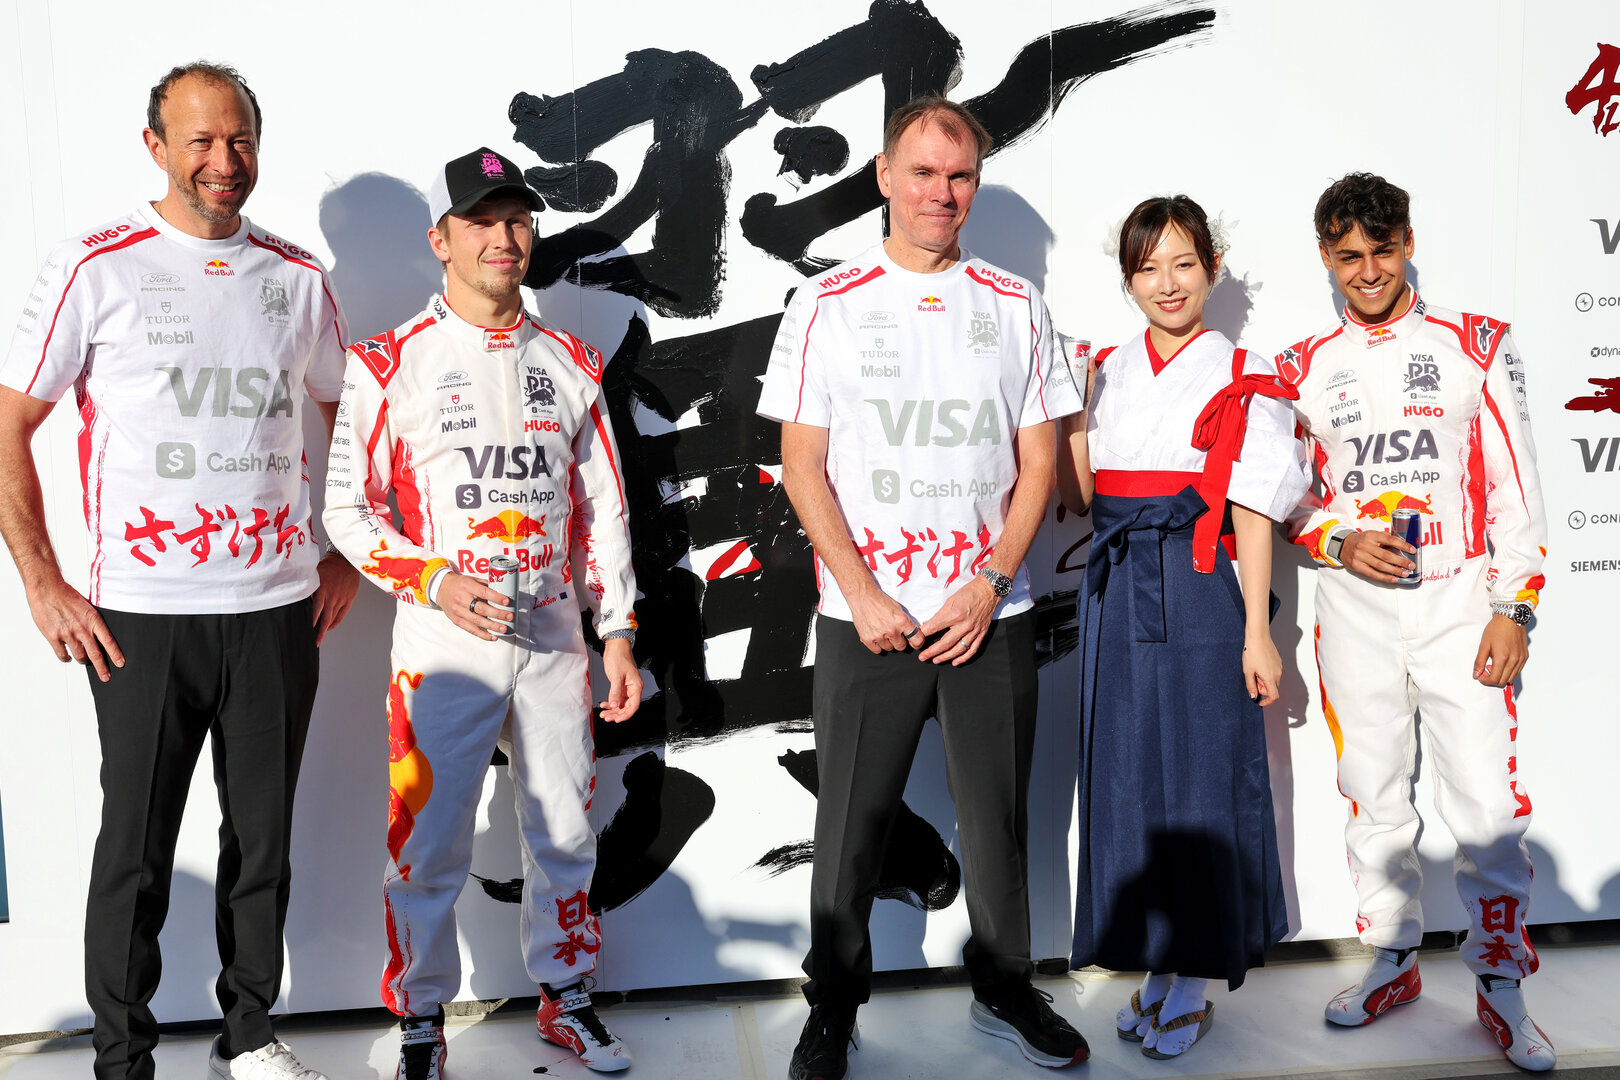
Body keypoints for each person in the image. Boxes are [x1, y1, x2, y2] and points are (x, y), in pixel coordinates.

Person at [0, 63, 357, 1080]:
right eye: (199, 140)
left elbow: (350, 412)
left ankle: (249, 1035)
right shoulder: (96, 266)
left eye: (238, 138)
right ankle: (124, 1058)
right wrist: (42, 581)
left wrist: (344, 553)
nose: (222, 160)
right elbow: (9, 421)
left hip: (276, 610)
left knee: (264, 844)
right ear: (154, 146)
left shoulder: (296, 276)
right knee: (136, 849)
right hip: (142, 617)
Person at [757, 96, 1088, 1080]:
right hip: (872, 617)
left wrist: (988, 584)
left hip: (991, 613)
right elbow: (802, 464)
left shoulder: (1017, 303)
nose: (944, 193)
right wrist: (863, 595)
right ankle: (834, 1007)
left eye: (961, 176)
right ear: (884, 177)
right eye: (925, 173)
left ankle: (1005, 982)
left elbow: (1039, 467)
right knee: (851, 826)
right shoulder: (826, 303)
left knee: (997, 821)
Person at [322, 146, 641, 1079]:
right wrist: (430, 581)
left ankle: (566, 998)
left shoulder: (573, 360)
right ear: (441, 240)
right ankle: (422, 1017)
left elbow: (602, 509)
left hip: (552, 634)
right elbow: (346, 509)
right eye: (482, 222)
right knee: (425, 834)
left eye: (517, 219)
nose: (505, 238)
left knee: (568, 831)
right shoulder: (389, 362)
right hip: (443, 642)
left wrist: (616, 630)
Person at [1277, 173, 1553, 1072]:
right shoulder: (1299, 365)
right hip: (1353, 614)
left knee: (1486, 806)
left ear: (1408, 244)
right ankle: (1392, 960)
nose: (1367, 271)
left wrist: (1514, 607)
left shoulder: (1477, 343)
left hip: (1460, 605)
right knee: (1373, 796)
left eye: (1382, 251)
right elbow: (1287, 502)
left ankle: (1503, 985)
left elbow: (1518, 492)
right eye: (1348, 256)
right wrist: (1336, 540)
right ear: (1326, 256)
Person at [1057, 196, 1308, 1059]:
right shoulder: (1109, 368)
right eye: (1146, 267)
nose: (1165, 284)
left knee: (1202, 774)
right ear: (1127, 277)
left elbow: (1253, 508)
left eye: (1183, 264)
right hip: (1118, 582)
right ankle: (1159, 966)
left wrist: (1259, 633)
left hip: (1202, 583)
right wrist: (1071, 413)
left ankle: (1196, 982)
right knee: (1128, 772)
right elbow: (1087, 497)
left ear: (1213, 266)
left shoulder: (1243, 367)